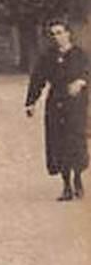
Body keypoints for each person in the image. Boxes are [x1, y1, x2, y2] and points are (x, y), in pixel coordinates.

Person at [24, 20, 88, 201]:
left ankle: (77, 179)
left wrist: (81, 81)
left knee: (75, 141)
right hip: (56, 104)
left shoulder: (80, 54)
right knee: (58, 143)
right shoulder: (47, 57)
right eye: (53, 34)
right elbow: (37, 79)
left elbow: (88, 71)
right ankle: (66, 184)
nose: (57, 37)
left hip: (76, 105)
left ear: (68, 34)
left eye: (60, 33)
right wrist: (31, 102)